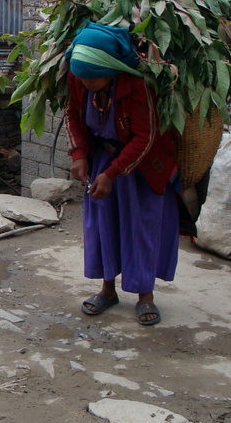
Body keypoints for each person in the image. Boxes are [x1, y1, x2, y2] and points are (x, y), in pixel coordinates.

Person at [64, 22, 183, 327]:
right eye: (82, 79)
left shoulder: (137, 85)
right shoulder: (79, 77)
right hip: (103, 155)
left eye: (93, 79)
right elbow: (72, 114)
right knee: (102, 224)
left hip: (142, 162)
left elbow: (146, 136)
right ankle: (107, 290)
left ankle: (145, 296)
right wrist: (79, 155)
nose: (86, 84)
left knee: (140, 225)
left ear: (111, 69)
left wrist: (113, 173)